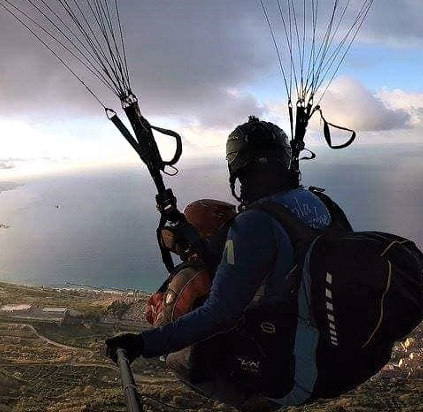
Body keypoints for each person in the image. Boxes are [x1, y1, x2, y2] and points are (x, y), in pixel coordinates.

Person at [105, 116, 352, 409]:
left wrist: (143, 343)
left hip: (298, 373)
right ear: (285, 159)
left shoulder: (254, 223)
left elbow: (220, 313)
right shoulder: (325, 205)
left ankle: (255, 404)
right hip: (342, 356)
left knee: (180, 358)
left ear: (237, 169)